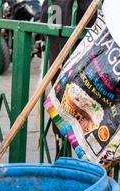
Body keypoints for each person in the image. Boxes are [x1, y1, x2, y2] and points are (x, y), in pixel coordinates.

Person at [40, 0, 95, 157]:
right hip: (81, 74)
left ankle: (63, 154)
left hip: (61, 70)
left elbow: (47, 29)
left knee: (63, 118)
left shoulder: (51, 3)